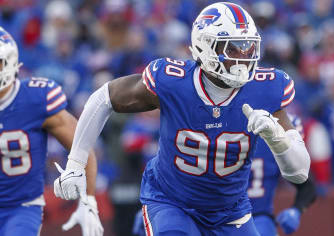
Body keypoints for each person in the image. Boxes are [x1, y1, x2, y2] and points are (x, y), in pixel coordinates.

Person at [54, 2, 311, 235]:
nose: (242, 57)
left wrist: (277, 139)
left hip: (230, 211)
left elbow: (299, 174)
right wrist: (76, 162)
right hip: (171, 201)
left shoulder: (266, 89)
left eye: (248, 47)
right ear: (205, 46)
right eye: (232, 47)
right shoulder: (173, 82)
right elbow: (104, 98)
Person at [0, 27, 103, 236]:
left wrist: (88, 200)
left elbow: (82, 146)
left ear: (8, 62)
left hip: (20, 208)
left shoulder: (35, 99)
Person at [248, 114, 317, 235]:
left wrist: (296, 210)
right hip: (221, 218)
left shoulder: (283, 125)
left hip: (260, 218)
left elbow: (306, 186)